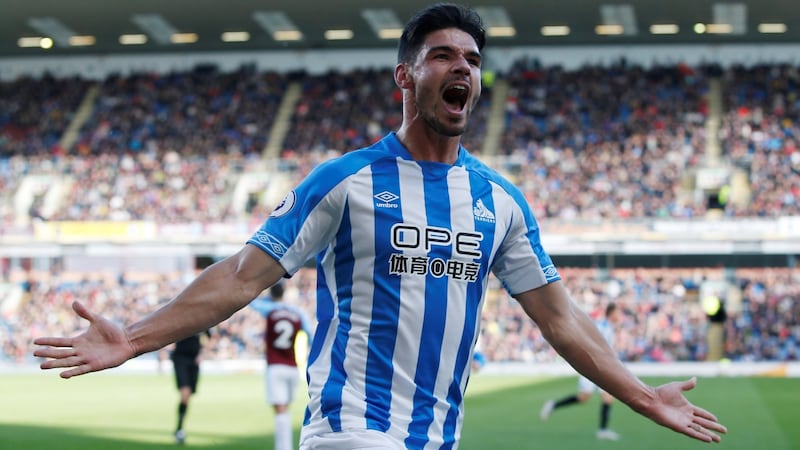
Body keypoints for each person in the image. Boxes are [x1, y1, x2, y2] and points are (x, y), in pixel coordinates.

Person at [33, 3, 727, 449]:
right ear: (406, 76)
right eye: (445, 56)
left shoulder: (501, 202)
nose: (465, 68)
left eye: (474, 60)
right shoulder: (346, 181)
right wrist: (137, 336)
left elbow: (560, 319)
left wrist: (640, 397)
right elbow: (243, 278)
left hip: (437, 437)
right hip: (351, 429)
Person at [539, 302, 624, 440]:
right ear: (612, 313)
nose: (620, 315)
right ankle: (554, 405)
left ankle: (603, 430)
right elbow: (594, 345)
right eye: (618, 312)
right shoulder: (602, 327)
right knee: (584, 397)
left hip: (601, 367)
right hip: (592, 367)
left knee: (607, 397)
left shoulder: (609, 327)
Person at [249, 282, 313, 450]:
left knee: (280, 411)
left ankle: (283, 447)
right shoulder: (298, 313)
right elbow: (310, 334)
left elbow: (252, 302)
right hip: (292, 366)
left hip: (275, 366)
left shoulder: (269, 310)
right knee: (286, 409)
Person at [169, 329, 211, 445]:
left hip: (194, 362)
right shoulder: (181, 319)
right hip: (180, 359)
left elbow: (211, 337)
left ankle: (179, 428)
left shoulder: (202, 322)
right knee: (185, 394)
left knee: (188, 397)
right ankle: (179, 429)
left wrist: (202, 354)